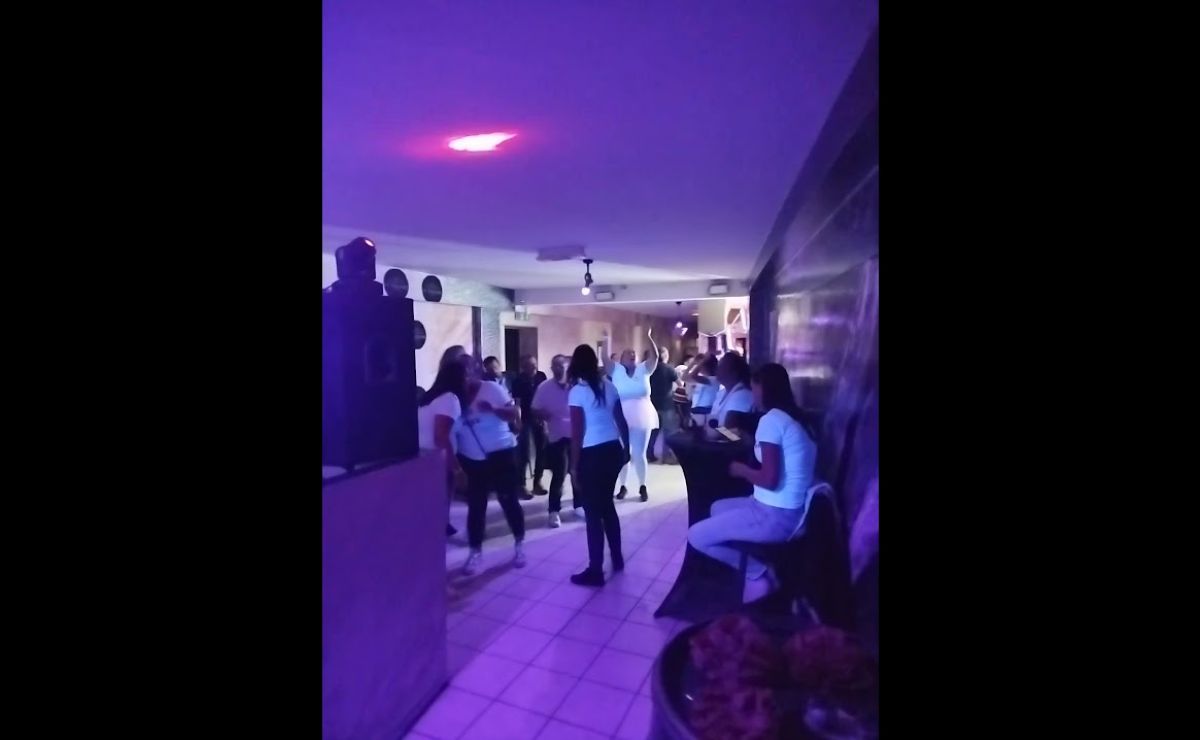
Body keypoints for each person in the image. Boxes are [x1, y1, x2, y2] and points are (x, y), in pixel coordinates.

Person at [686, 363, 818, 602]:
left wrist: (742, 470)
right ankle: (747, 561)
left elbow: (769, 478)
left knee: (695, 536)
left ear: (765, 389)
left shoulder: (771, 420)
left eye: (755, 387)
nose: (753, 393)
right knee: (717, 508)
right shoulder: (796, 418)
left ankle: (759, 573)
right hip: (786, 509)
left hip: (776, 515)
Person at [455, 364, 528, 576]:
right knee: (476, 506)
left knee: (508, 500)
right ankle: (475, 551)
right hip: (472, 458)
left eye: (469, 372)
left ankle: (519, 545)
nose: (466, 378)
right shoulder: (454, 397)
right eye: (462, 374)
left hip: (501, 453)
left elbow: (513, 413)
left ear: (476, 372)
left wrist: (493, 409)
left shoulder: (491, 388)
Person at [567, 343, 630, 586]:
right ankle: (617, 558)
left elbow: (577, 433)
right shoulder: (609, 386)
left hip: (592, 455)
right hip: (613, 450)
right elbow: (621, 421)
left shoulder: (577, 391)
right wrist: (627, 449)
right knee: (607, 507)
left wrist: (574, 467)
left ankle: (595, 571)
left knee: (593, 514)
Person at [604, 329, 661, 501]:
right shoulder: (616, 371)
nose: (632, 355)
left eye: (634, 353)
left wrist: (649, 337)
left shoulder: (644, 369)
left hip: (642, 415)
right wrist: (606, 338)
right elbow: (604, 358)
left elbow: (655, 357)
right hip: (621, 415)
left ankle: (642, 485)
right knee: (623, 452)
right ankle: (623, 486)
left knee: (639, 453)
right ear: (621, 359)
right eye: (628, 353)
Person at [418, 360, 470, 537]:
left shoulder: (430, 397)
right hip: (438, 457)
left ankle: (439, 527)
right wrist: (456, 468)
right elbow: (441, 436)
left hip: (424, 453)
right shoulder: (449, 399)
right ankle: (440, 529)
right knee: (442, 496)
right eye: (466, 376)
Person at [531, 355, 577, 527]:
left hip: (577, 436)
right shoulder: (544, 387)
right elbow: (534, 409)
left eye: (561, 366)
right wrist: (543, 415)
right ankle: (553, 511)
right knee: (559, 474)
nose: (558, 369)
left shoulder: (577, 386)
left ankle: (579, 505)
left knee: (578, 473)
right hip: (557, 437)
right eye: (554, 366)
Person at [510, 355, 548, 494]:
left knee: (542, 450)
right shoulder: (518, 380)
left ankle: (538, 482)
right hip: (525, 418)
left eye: (534, 364)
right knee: (524, 452)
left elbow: (545, 398)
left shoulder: (541, 376)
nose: (533, 367)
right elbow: (517, 403)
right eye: (530, 365)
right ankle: (521, 484)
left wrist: (545, 419)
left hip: (539, 417)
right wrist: (518, 421)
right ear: (523, 367)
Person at [647, 345, 680, 464]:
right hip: (667, 405)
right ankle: (666, 456)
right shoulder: (670, 369)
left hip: (652, 404)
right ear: (666, 356)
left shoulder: (650, 369)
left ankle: (649, 453)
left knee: (653, 431)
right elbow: (680, 384)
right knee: (669, 432)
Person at [710, 351, 754, 431]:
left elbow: (732, 432)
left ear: (734, 373)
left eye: (722, 368)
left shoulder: (742, 396)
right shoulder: (722, 392)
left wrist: (716, 433)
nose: (717, 371)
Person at [684, 353, 721, 426]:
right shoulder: (704, 379)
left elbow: (692, 376)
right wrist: (693, 362)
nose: (699, 368)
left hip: (703, 412)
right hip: (698, 412)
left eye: (701, 365)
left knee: (699, 431)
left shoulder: (712, 380)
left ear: (705, 367)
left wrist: (700, 362)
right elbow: (684, 378)